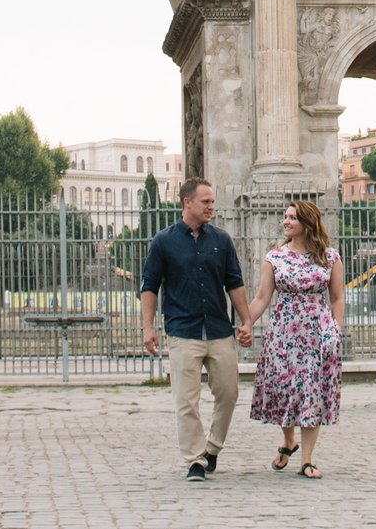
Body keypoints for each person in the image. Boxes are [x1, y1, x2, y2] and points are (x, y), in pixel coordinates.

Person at [140, 178, 253, 482]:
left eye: (213, 201)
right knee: (186, 400)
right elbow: (149, 285)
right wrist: (148, 327)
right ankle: (194, 459)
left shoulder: (222, 240)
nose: (211, 207)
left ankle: (212, 448)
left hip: (218, 329)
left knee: (228, 393)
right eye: (206, 201)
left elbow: (235, 283)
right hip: (183, 330)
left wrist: (246, 321)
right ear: (187, 202)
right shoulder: (163, 242)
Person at [246, 200, 345, 479]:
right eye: (285, 217)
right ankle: (289, 441)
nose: (286, 222)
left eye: (292, 217)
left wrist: (335, 330)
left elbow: (337, 297)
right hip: (284, 332)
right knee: (285, 389)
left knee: (312, 392)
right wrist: (246, 323)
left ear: (307, 223)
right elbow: (262, 297)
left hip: (317, 332)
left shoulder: (330, 258)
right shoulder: (274, 257)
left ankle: (307, 459)